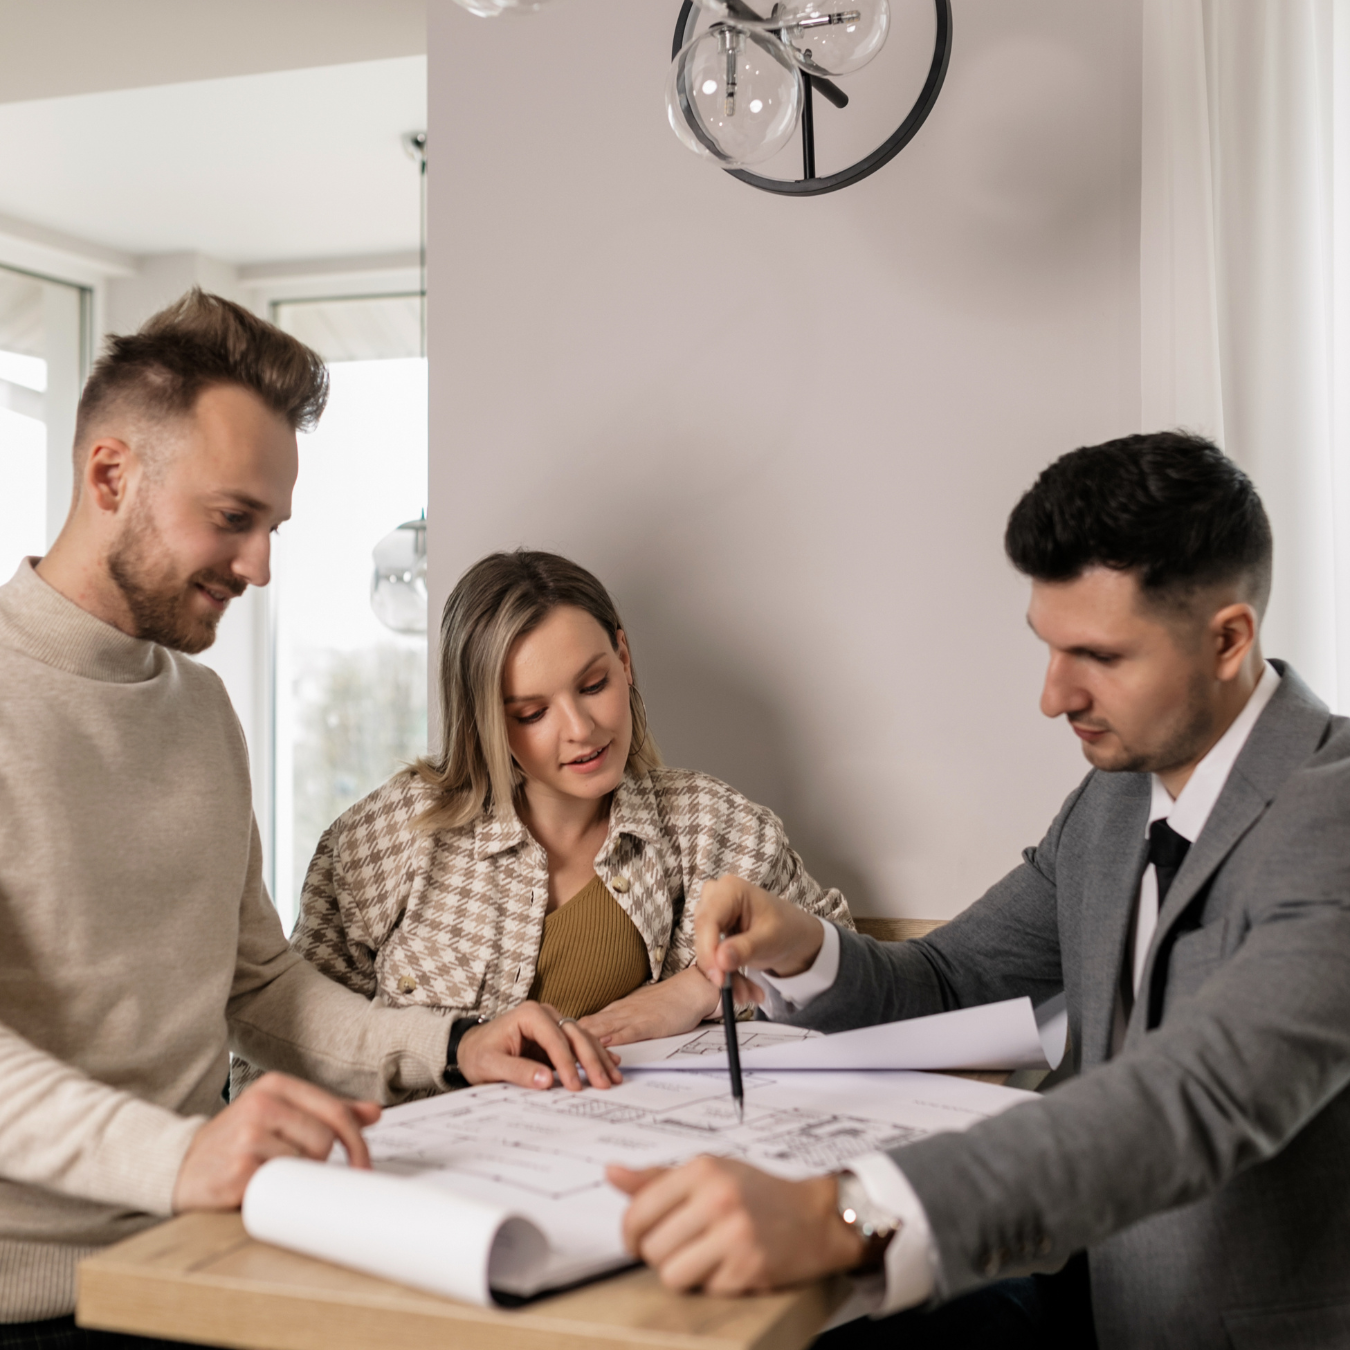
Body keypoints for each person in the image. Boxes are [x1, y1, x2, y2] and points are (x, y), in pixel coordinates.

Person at [610, 432, 1350, 1350]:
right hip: (1068, 1292)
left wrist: (844, 1215)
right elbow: (956, 979)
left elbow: (1193, 1097)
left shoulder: (1337, 811)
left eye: (1100, 657)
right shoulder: (1117, 794)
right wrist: (806, 947)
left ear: (1228, 639)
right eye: (1047, 647)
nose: (1053, 696)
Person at [0, 293, 615, 1349]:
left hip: (200, 1261)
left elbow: (258, 986)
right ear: (110, 476)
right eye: (232, 519)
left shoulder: (200, 711)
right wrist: (179, 1157)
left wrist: (456, 1044)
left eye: (272, 528)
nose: (259, 568)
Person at [258, 550, 854, 1083]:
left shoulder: (712, 826)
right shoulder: (388, 838)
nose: (580, 729)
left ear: (624, 659)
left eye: (593, 684)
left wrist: (698, 988)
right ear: (486, 720)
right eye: (532, 712)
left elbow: (851, 979)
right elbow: (279, 1052)